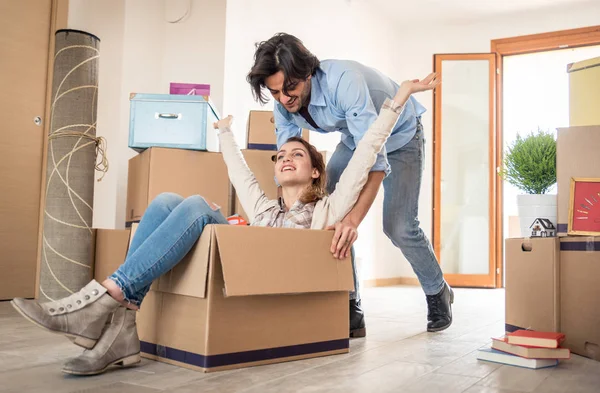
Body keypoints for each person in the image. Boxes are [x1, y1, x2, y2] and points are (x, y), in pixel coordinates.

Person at [10, 73, 438, 376]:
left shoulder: (328, 210)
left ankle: (106, 301)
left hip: (267, 282)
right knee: (163, 201)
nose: (286, 157)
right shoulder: (263, 211)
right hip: (241, 262)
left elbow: (365, 152)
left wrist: (397, 99)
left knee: (196, 204)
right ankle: (122, 321)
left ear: (314, 173)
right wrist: (225, 134)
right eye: (280, 156)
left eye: (298, 155)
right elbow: (240, 175)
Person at [247, 33, 454, 337]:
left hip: (401, 136)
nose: (284, 99)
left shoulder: (344, 82)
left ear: (307, 71)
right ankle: (349, 303)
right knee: (328, 214)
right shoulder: (283, 104)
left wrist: (353, 220)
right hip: (356, 139)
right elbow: (288, 161)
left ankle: (438, 291)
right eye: (275, 92)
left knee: (398, 226)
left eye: (290, 88)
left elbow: (376, 158)